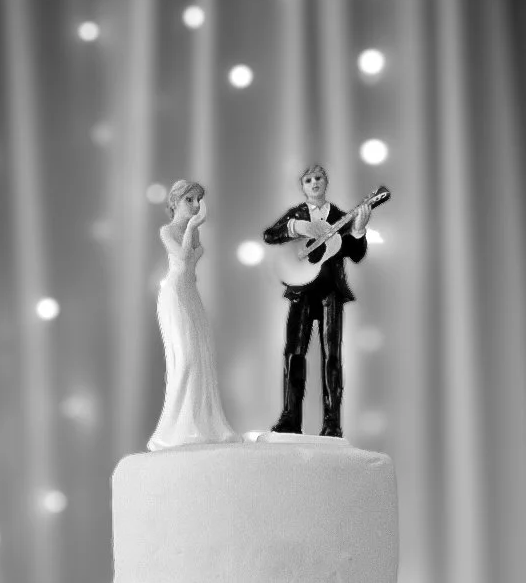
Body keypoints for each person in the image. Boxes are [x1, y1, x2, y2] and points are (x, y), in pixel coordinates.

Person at [262, 164, 372, 437]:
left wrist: (358, 231)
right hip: (301, 290)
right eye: (308, 180)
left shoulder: (338, 216)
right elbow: (269, 235)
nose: (314, 183)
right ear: (302, 186)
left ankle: (332, 421)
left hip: (329, 291)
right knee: (293, 353)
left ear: (326, 182)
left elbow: (356, 254)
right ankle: (290, 418)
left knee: (331, 355)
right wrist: (295, 226)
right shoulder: (297, 214)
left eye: (318, 178)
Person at [148, 179, 240, 450]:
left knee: (201, 357)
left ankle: (199, 424)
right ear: (176, 201)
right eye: (190, 199)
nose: (196, 205)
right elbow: (185, 258)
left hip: (191, 294)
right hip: (174, 294)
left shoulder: (193, 232)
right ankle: (173, 428)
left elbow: (192, 259)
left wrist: (192, 230)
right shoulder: (168, 231)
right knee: (185, 358)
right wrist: (190, 226)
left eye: (198, 199)